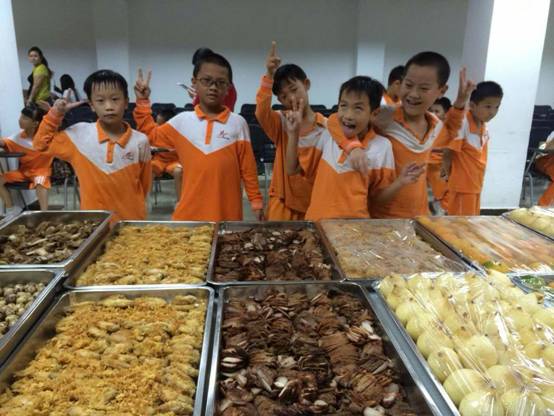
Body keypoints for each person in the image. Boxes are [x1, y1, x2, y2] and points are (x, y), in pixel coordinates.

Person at [133, 52, 263, 221]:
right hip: (188, 215)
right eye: (206, 80)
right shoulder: (181, 122)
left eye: (220, 82)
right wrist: (143, 103)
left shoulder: (238, 123)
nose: (213, 87)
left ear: (228, 88)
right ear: (194, 83)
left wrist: (256, 201)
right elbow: (150, 136)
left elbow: (248, 168)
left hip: (227, 214)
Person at [344, 52, 474, 219]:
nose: (413, 94)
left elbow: (450, 131)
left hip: (419, 215)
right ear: (401, 82)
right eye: (408, 84)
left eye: (424, 88)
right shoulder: (382, 117)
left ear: (442, 91)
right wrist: (353, 147)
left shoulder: (435, 124)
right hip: (381, 217)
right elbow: (337, 123)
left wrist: (460, 103)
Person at [285, 76, 424, 221]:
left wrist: (400, 182)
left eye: (358, 108)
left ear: (374, 113)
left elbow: (377, 200)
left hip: (355, 228)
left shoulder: (382, 146)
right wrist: (293, 134)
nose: (348, 115)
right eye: (343, 105)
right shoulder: (328, 135)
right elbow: (291, 169)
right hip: (317, 223)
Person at [33, 70, 152, 222]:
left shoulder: (140, 141)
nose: (109, 106)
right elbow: (40, 145)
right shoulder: (78, 135)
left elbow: (144, 185)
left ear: (126, 102)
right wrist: (55, 114)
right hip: (93, 222)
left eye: (115, 99)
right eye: (100, 101)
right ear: (91, 105)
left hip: (131, 221)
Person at [255, 41, 327, 220]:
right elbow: (261, 112)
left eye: (294, 89)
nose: (291, 98)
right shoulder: (281, 121)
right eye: (284, 96)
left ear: (306, 84)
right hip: (282, 201)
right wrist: (269, 74)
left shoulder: (326, 127)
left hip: (313, 203)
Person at [442, 81, 503, 215]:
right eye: (488, 106)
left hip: (476, 185)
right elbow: (448, 152)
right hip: (462, 187)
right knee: (460, 224)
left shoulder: (484, 126)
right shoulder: (463, 123)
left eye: (497, 107)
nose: (492, 112)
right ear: (472, 106)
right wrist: (449, 177)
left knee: (471, 221)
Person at [0, 104, 53, 220]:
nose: (20, 120)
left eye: (25, 118)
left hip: (41, 171)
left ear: (35, 123)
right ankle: (11, 209)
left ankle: (44, 215)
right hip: (24, 172)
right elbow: (4, 143)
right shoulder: (17, 137)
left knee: (40, 182)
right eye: (21, 116)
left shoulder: (46, 136)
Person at [151, 108, 183, 202]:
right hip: (159, 160)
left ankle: (180, 201)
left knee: (178, 171)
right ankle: (146, 201)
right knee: (148, 169)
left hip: (174, 161)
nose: (157, 126)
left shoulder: (179, 133)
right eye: (156, 123)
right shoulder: (154, 131)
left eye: (160, 124)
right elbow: (148, 143)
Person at [427, 97, 452, 213]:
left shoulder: (450, 130)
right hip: (426, 168)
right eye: (431, 111)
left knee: (443, 196)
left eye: (437, 111)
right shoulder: (426, 126)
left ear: (446, 114)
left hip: (440, 168)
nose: (433, 114)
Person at [536, 131, 554, 206]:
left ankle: (541, 207)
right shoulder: (552, 133)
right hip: (544, 159)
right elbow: (545, 149)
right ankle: (541, 206)